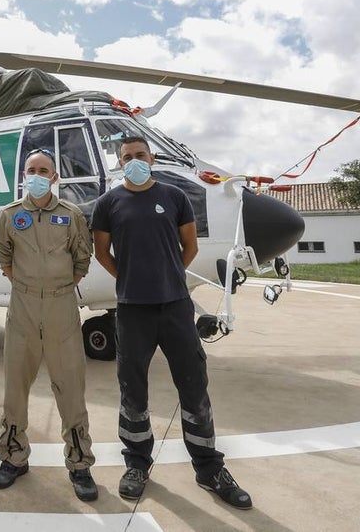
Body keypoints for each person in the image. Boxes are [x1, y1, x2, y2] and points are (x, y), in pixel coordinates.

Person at [92, 135, 252, 509]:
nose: (134, 160)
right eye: (127, 157)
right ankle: (136, 464)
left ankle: (209, 468)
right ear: (119, 163)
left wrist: (168, 275)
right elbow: (101, 252)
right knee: (133, 389)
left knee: (194, 385)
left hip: (176, 306)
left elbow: (190, 246)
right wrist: (129, 279)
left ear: (152, 158)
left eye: (140, 155)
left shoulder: (175, 197)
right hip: (132, 310)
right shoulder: (108, 203)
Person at [0, 148, 98, 502]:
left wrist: (57, 287)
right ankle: (13, 458)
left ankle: (79, 464)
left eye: (43, 170)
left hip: (60, 307)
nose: (36, 175)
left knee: (70, 389)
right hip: (21, 307)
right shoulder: (10, 215)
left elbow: (82, 258)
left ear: (54, 177)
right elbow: (4, 255)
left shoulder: (71, 215)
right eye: (31, 169)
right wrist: (25, 284)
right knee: (14, 389)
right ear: (24, 174)